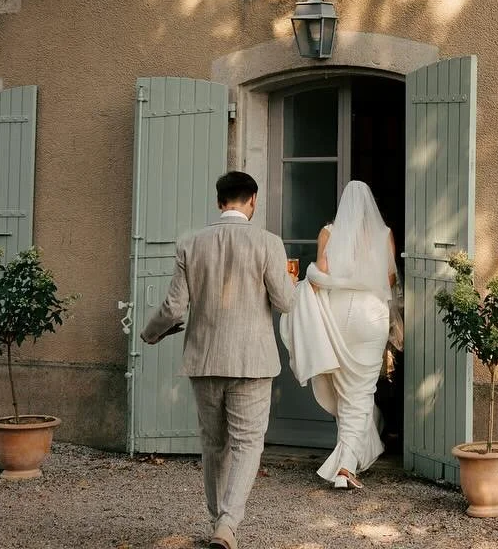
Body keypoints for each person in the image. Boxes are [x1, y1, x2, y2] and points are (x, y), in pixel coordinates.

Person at [141, 171, 296, 549]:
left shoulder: (190, 244)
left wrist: (149, 334)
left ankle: (218, 520)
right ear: (253, 201)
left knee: (213, 443)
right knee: (247, 443)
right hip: (252, 361)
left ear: (218, 202)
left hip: (204, 359)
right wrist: (290, 279)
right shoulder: (269, 243)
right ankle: (227, 525)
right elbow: (285, 303)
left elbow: (174, 307)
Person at [281, 180, 401, 490]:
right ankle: (347, 466)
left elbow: (320, 278)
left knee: (346, 388)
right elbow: (389, 279)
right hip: (371, 315)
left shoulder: (328, 233)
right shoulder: (384, 234)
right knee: (360, 391)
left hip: (338, 315)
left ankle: (348, 460)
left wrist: (309, 275)